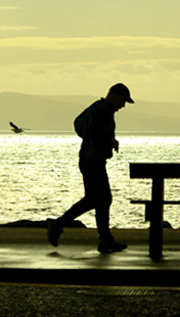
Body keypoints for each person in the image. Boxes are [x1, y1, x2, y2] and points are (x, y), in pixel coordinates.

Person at [47, 83, 134, 254]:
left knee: (100, 199)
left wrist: (94, 139)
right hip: (92, 160)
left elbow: (79, 124)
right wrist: (107, 141)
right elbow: (94, 131)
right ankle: (58, 224)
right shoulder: (103, 110)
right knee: (97, 199)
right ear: (115, 96)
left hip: (91, 159)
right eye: (123, 101)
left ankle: (105, 239)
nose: (123, 106)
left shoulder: (97, 107)